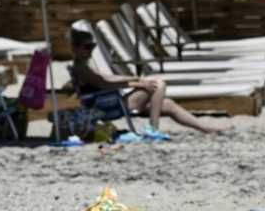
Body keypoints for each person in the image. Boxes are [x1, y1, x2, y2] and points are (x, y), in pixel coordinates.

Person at [68, 26, 227, 137]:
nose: (91, 50)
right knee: (158, 84)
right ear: (75, 48)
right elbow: (105, 84)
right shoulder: (81, 69)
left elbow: (108, 78)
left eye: (93, 46)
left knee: (168, 104)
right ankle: (153, 129)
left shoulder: (84, 66)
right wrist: (140, 84)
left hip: (111, 102)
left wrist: (135, 79)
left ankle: (206, 128)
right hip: (107, 107)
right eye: (87, 47)